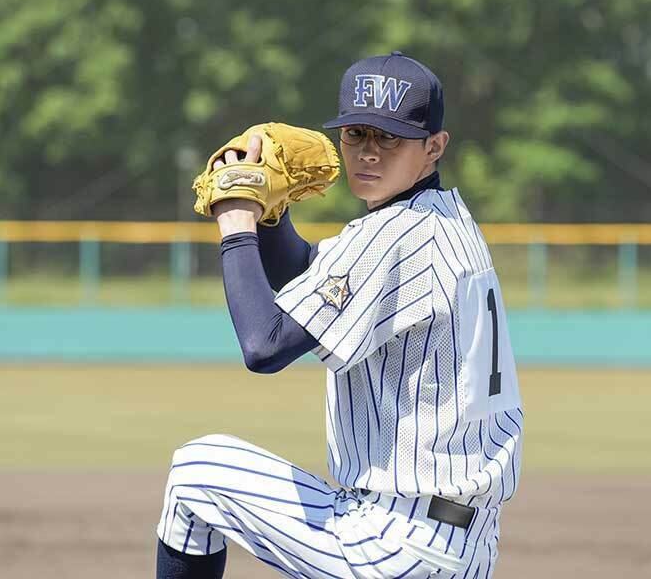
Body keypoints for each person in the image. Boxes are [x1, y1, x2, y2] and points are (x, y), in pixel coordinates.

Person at [156, 51, 523, 579]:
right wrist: (275, 214)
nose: (369, 152)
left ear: (435, 147)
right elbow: (309, 276)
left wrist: (237, 220)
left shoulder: (395, 236)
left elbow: (265, 345)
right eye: (357, 134)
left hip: (396, 544)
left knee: (195, 472)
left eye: (390, 137)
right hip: (459, 546)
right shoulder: (442, 219)